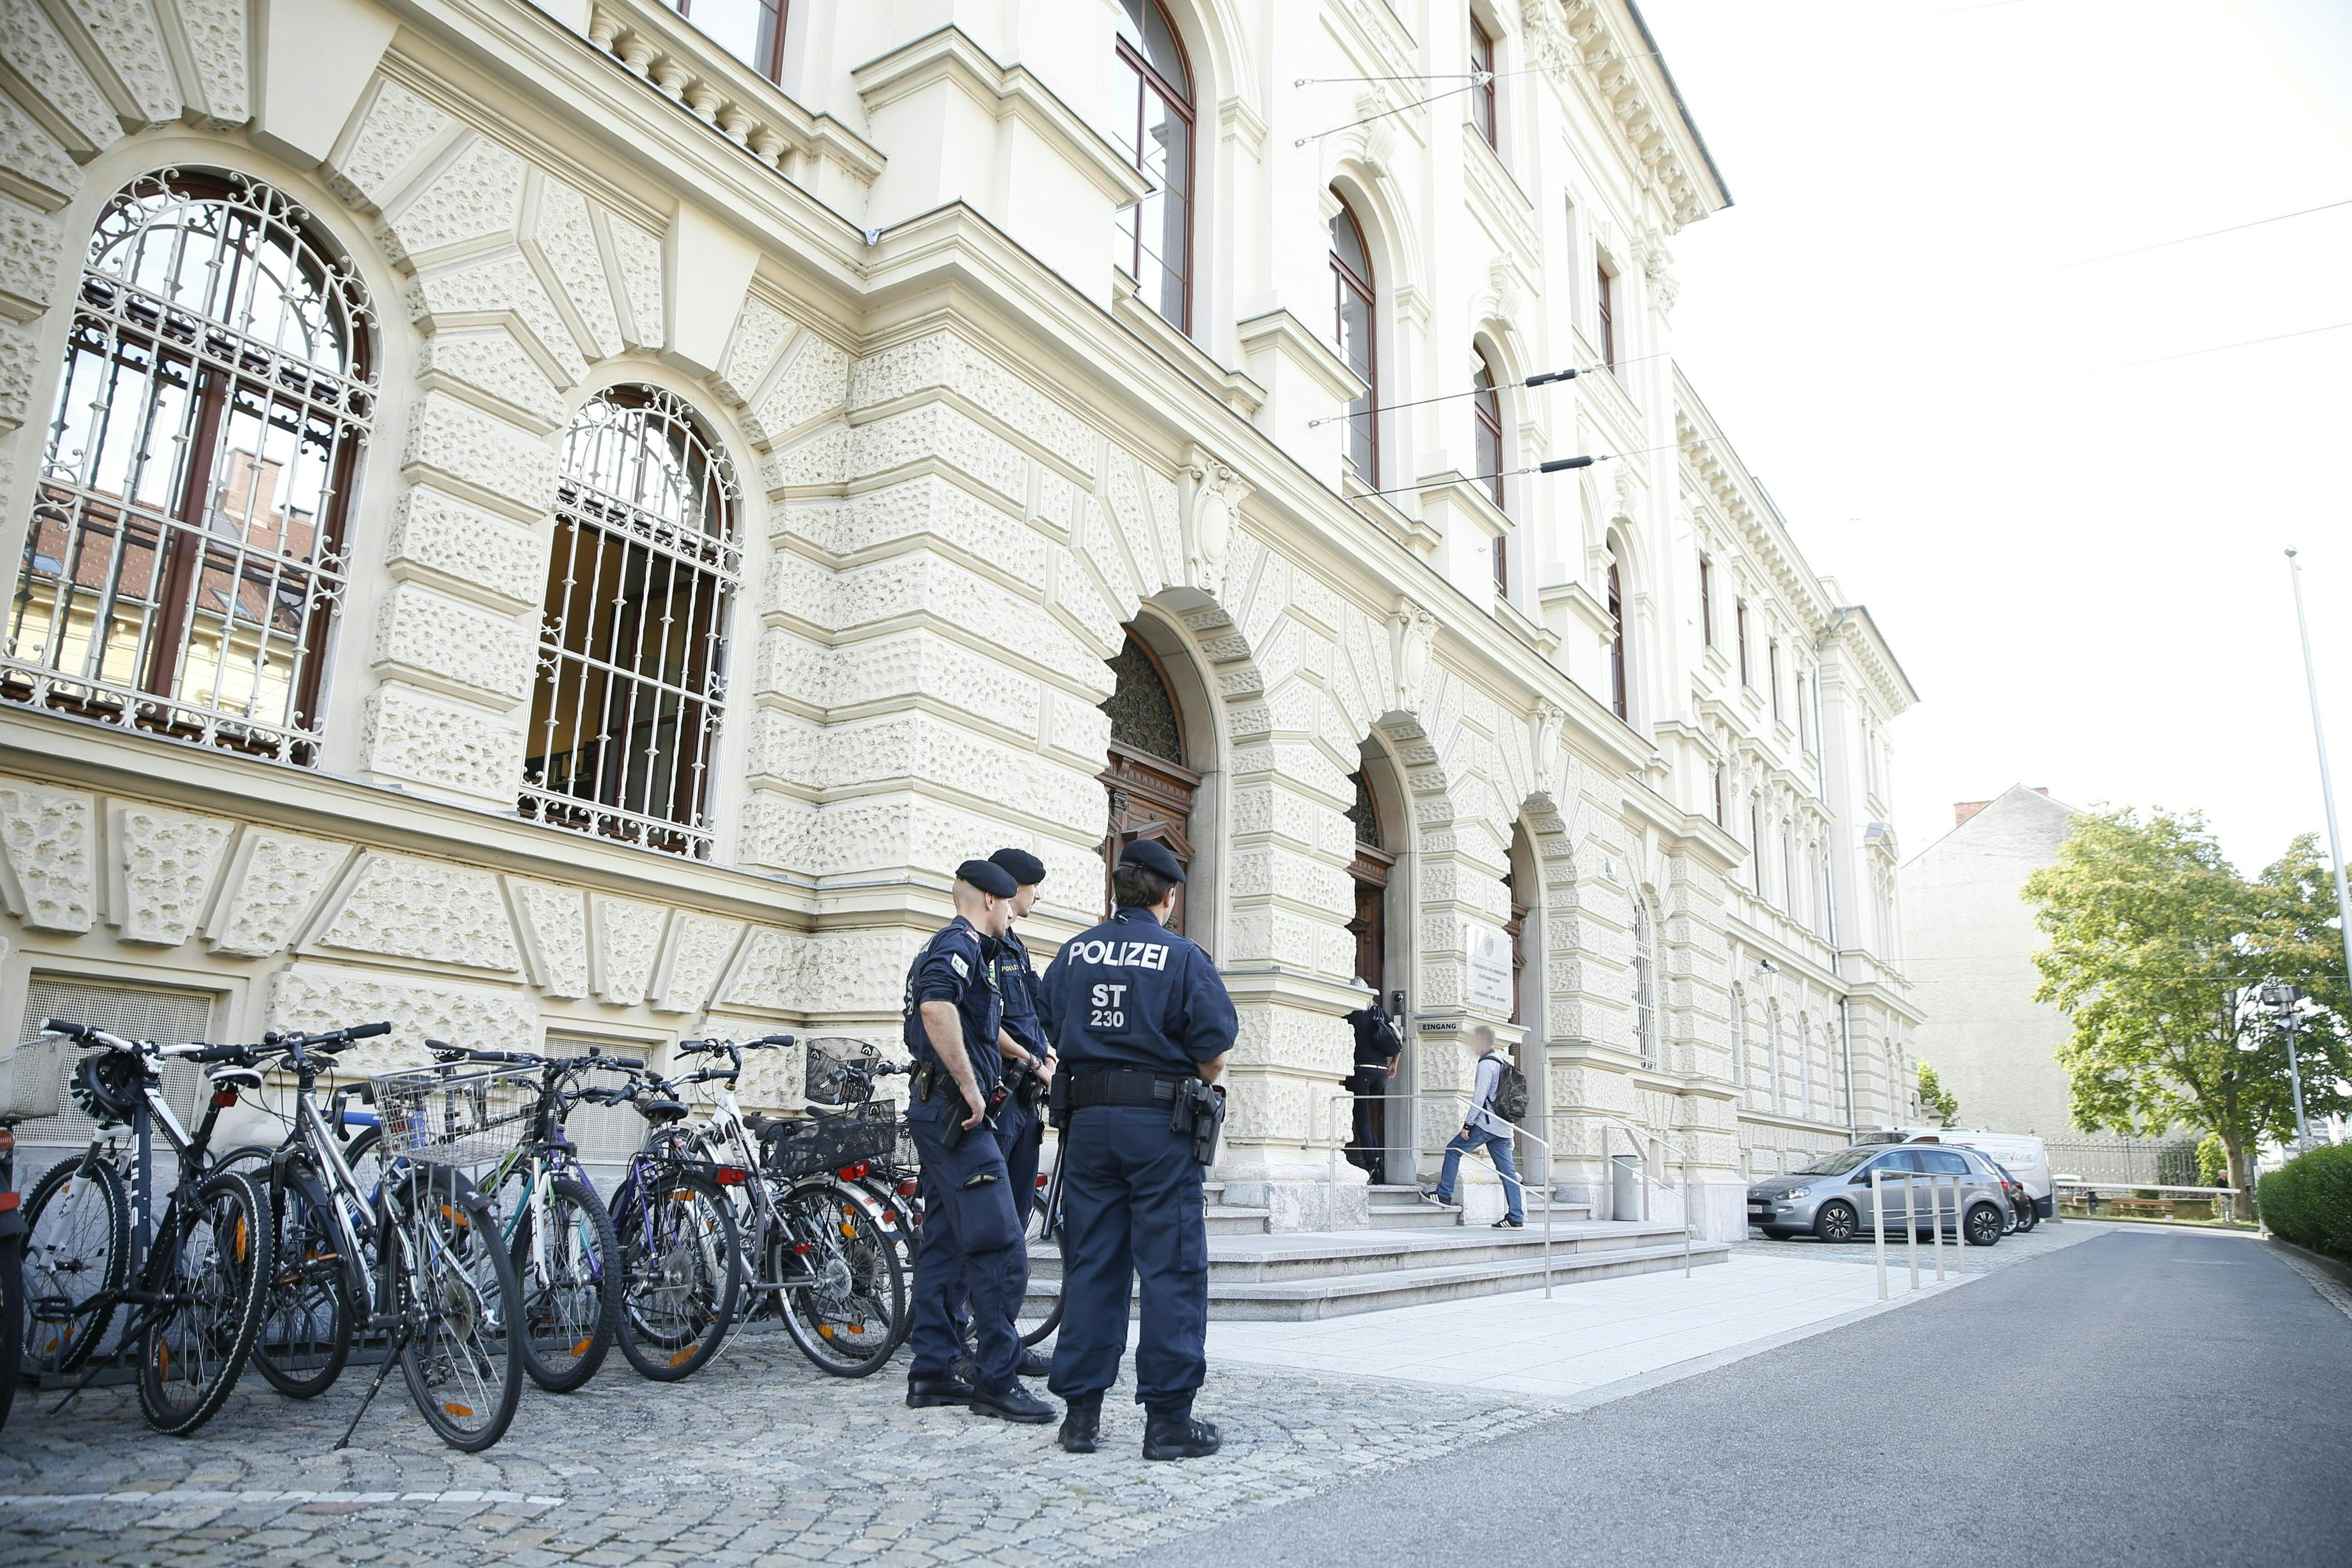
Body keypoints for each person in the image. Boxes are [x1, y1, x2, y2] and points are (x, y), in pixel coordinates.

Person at [1037, 839, 1236, 1460]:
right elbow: (1213, 1054)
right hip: (1159, 1126)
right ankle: (1168, 1421)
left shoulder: (1075, 952)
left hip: (1089, 1125)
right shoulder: (1183, 956)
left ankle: (1080, 1417)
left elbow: (1049, 1025)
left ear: (1117, 891)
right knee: (1171, 1267)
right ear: (1169, 897)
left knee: (1092, 1264)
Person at [900, 858, 1053, 1423]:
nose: (1013, 910)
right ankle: (996, 1378)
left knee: (944, 1241)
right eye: (1009, 900)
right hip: (957, 1115)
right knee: (999, 1244)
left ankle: (933, 1369)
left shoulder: (973, 949)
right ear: (991, 900)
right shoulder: (959, 945)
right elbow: (935, 1005)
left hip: (943, 1112)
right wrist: (969, 1085)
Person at [1420, 1025, 1526, 1228]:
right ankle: (1516, 1217)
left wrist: (1468, 1125)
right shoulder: (1502, 1062)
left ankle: (1444, 1194)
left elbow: (1479, 1098)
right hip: (1504, 1126)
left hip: (1487, 1124)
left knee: (1453, 1150)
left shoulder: (1487, 1064)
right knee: (1508, 1173)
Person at [1344, 994, 1403, 1182]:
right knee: (1365, 1117)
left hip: (1362, 1070)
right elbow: (1399, 1038)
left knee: (1362, 1117)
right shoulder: (1379, 1013)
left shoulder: (1351, 1013)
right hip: (1381, 1072)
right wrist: (1394, 1063)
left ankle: (1372, 1164)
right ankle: (1377, 1158)